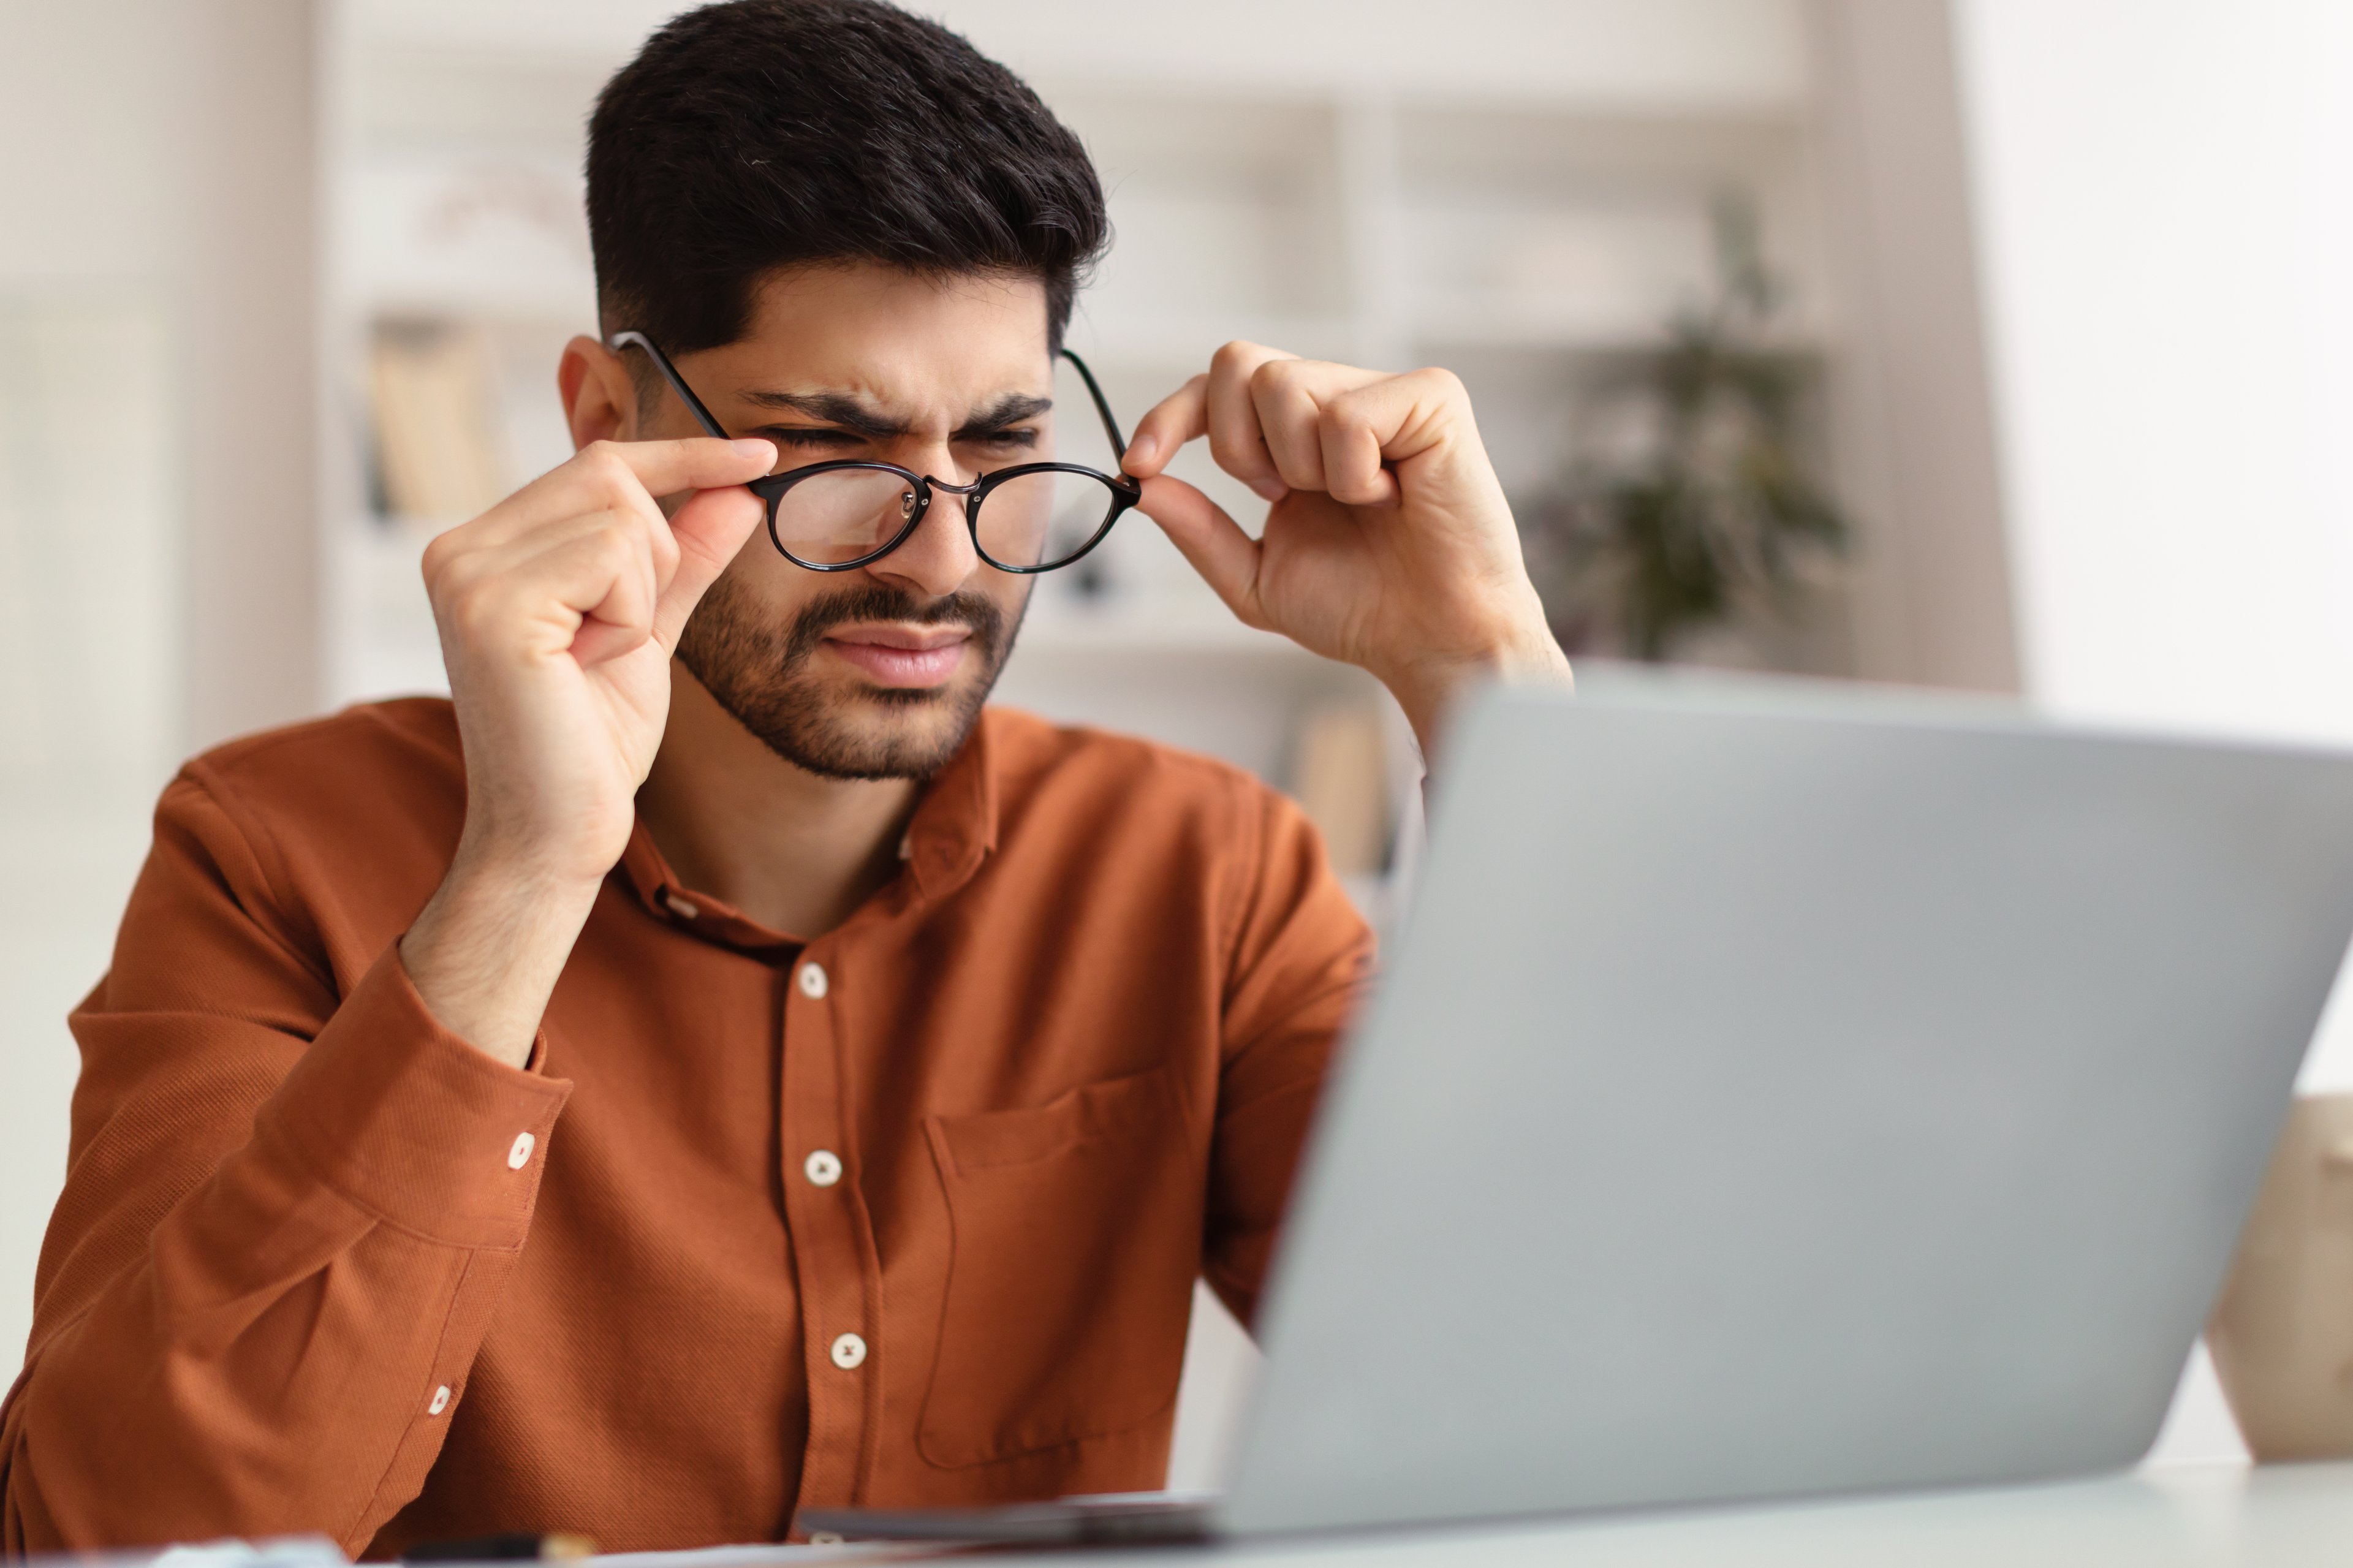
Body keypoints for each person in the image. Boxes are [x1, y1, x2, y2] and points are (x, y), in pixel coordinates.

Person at [0, 0, 1569, 1556]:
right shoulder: (272, 849)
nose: (948, 561)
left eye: (1006, 444)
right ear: (609, 422)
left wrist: (1482, 678)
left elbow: (1547, 1408)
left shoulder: (1208, 870)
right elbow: (113, 1529)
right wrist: (526, 870)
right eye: (837, 449)